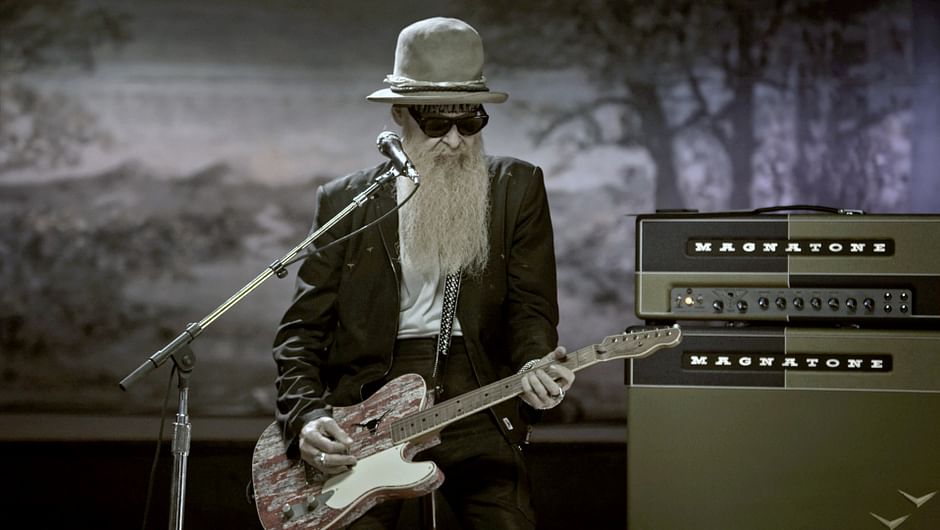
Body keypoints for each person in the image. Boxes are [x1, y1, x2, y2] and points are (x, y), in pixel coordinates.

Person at [271, 16, 575, 529]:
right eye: (436, 124)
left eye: (471, 122)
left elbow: (531, 307)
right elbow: (301, 334)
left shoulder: (516, 186)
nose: (455, 140)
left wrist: (534, 363)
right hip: (367, 404)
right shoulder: (346, 201)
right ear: (399, 115)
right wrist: (306, 417)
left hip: (477, 390)